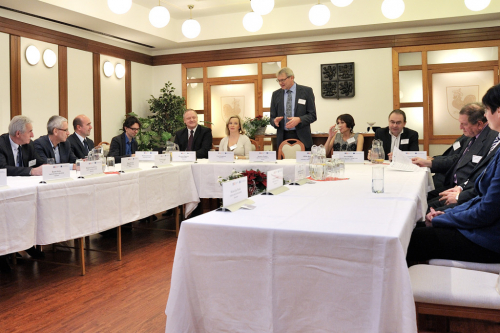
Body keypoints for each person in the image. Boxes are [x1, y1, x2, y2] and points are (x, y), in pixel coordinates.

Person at [406, 84, 500, 265]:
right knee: (418, 227)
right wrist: (447, 214)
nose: (486, 116)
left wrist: (446, 218)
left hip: (490, 238)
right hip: (482, 220)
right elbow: (483, 198)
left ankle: (409, 292)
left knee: (414, 238)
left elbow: (487, 210)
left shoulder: (493, 143)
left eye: (487, 110)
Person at [412, 103, 498, 198]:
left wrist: (460, 193)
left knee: (424, 206)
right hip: (451, 184)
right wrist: (430, 162)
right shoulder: (471, 135)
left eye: (464, 124)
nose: (460, 127)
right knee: (418, 196)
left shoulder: (490, 139)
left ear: (479, 124)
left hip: (464, 192)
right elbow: (457, 158)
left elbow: (482, 173)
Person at [0, 115, 45, 273]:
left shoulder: (29, 145)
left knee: (33, 209)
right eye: (30, 131)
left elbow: (39, 162)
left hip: (24, 190)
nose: (33, 135)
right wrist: (31, 171)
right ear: (18, 134)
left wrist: (52, 168)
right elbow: (3, 168)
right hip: (5, 191)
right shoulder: (1, 144)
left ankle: (27, 244)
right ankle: (5, 254)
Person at [270, 67, 317, 151]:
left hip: (302, 136)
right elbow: (272, 118)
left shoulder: (306, 91)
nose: (280, 83)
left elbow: (313, 115)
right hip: (283, 137)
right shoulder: (275, 94)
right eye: (278, 80)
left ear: (292, 77)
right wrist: (274, 121)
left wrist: (299, 119)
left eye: (283, 80)